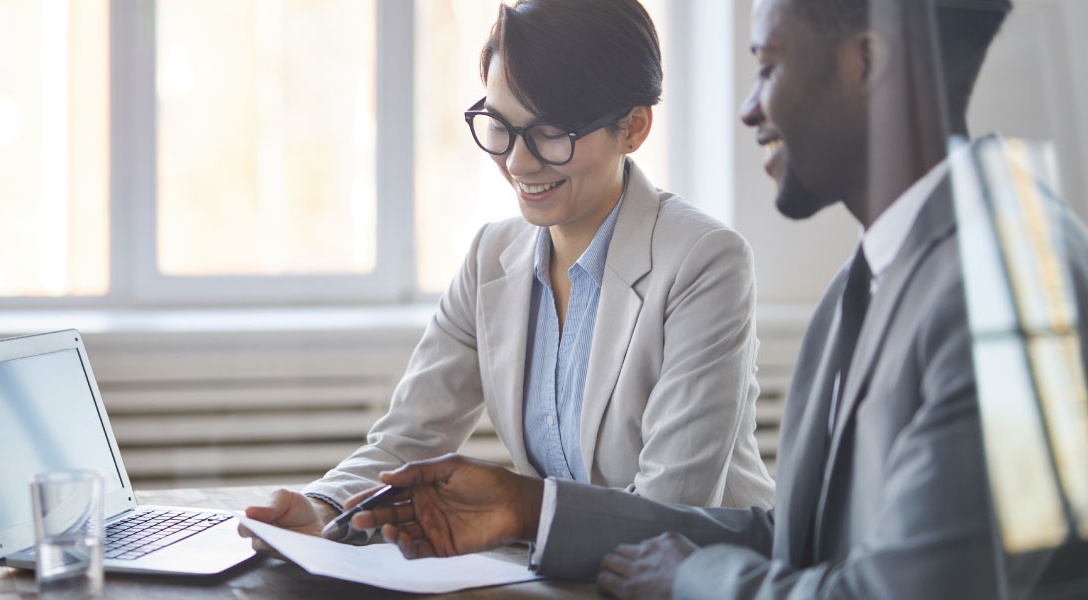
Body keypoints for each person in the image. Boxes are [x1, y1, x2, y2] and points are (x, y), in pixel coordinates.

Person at [349, 0, 1088, 598]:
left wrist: (700, 580)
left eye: (769, 65)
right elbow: (799, 540)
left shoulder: (1019, 295)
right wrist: (530, 509)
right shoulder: (867, 284)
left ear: (867, 64)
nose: (749, 107)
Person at [242, 0, 775, 544]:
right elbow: (410, 438)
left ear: (634, 127)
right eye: (499, 125)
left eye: (551, 132)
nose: (518, 163)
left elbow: (668, 512)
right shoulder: (492, 255)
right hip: (567, 577)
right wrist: (323, 506)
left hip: (703, 578)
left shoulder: (705, 262)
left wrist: (523, 511)